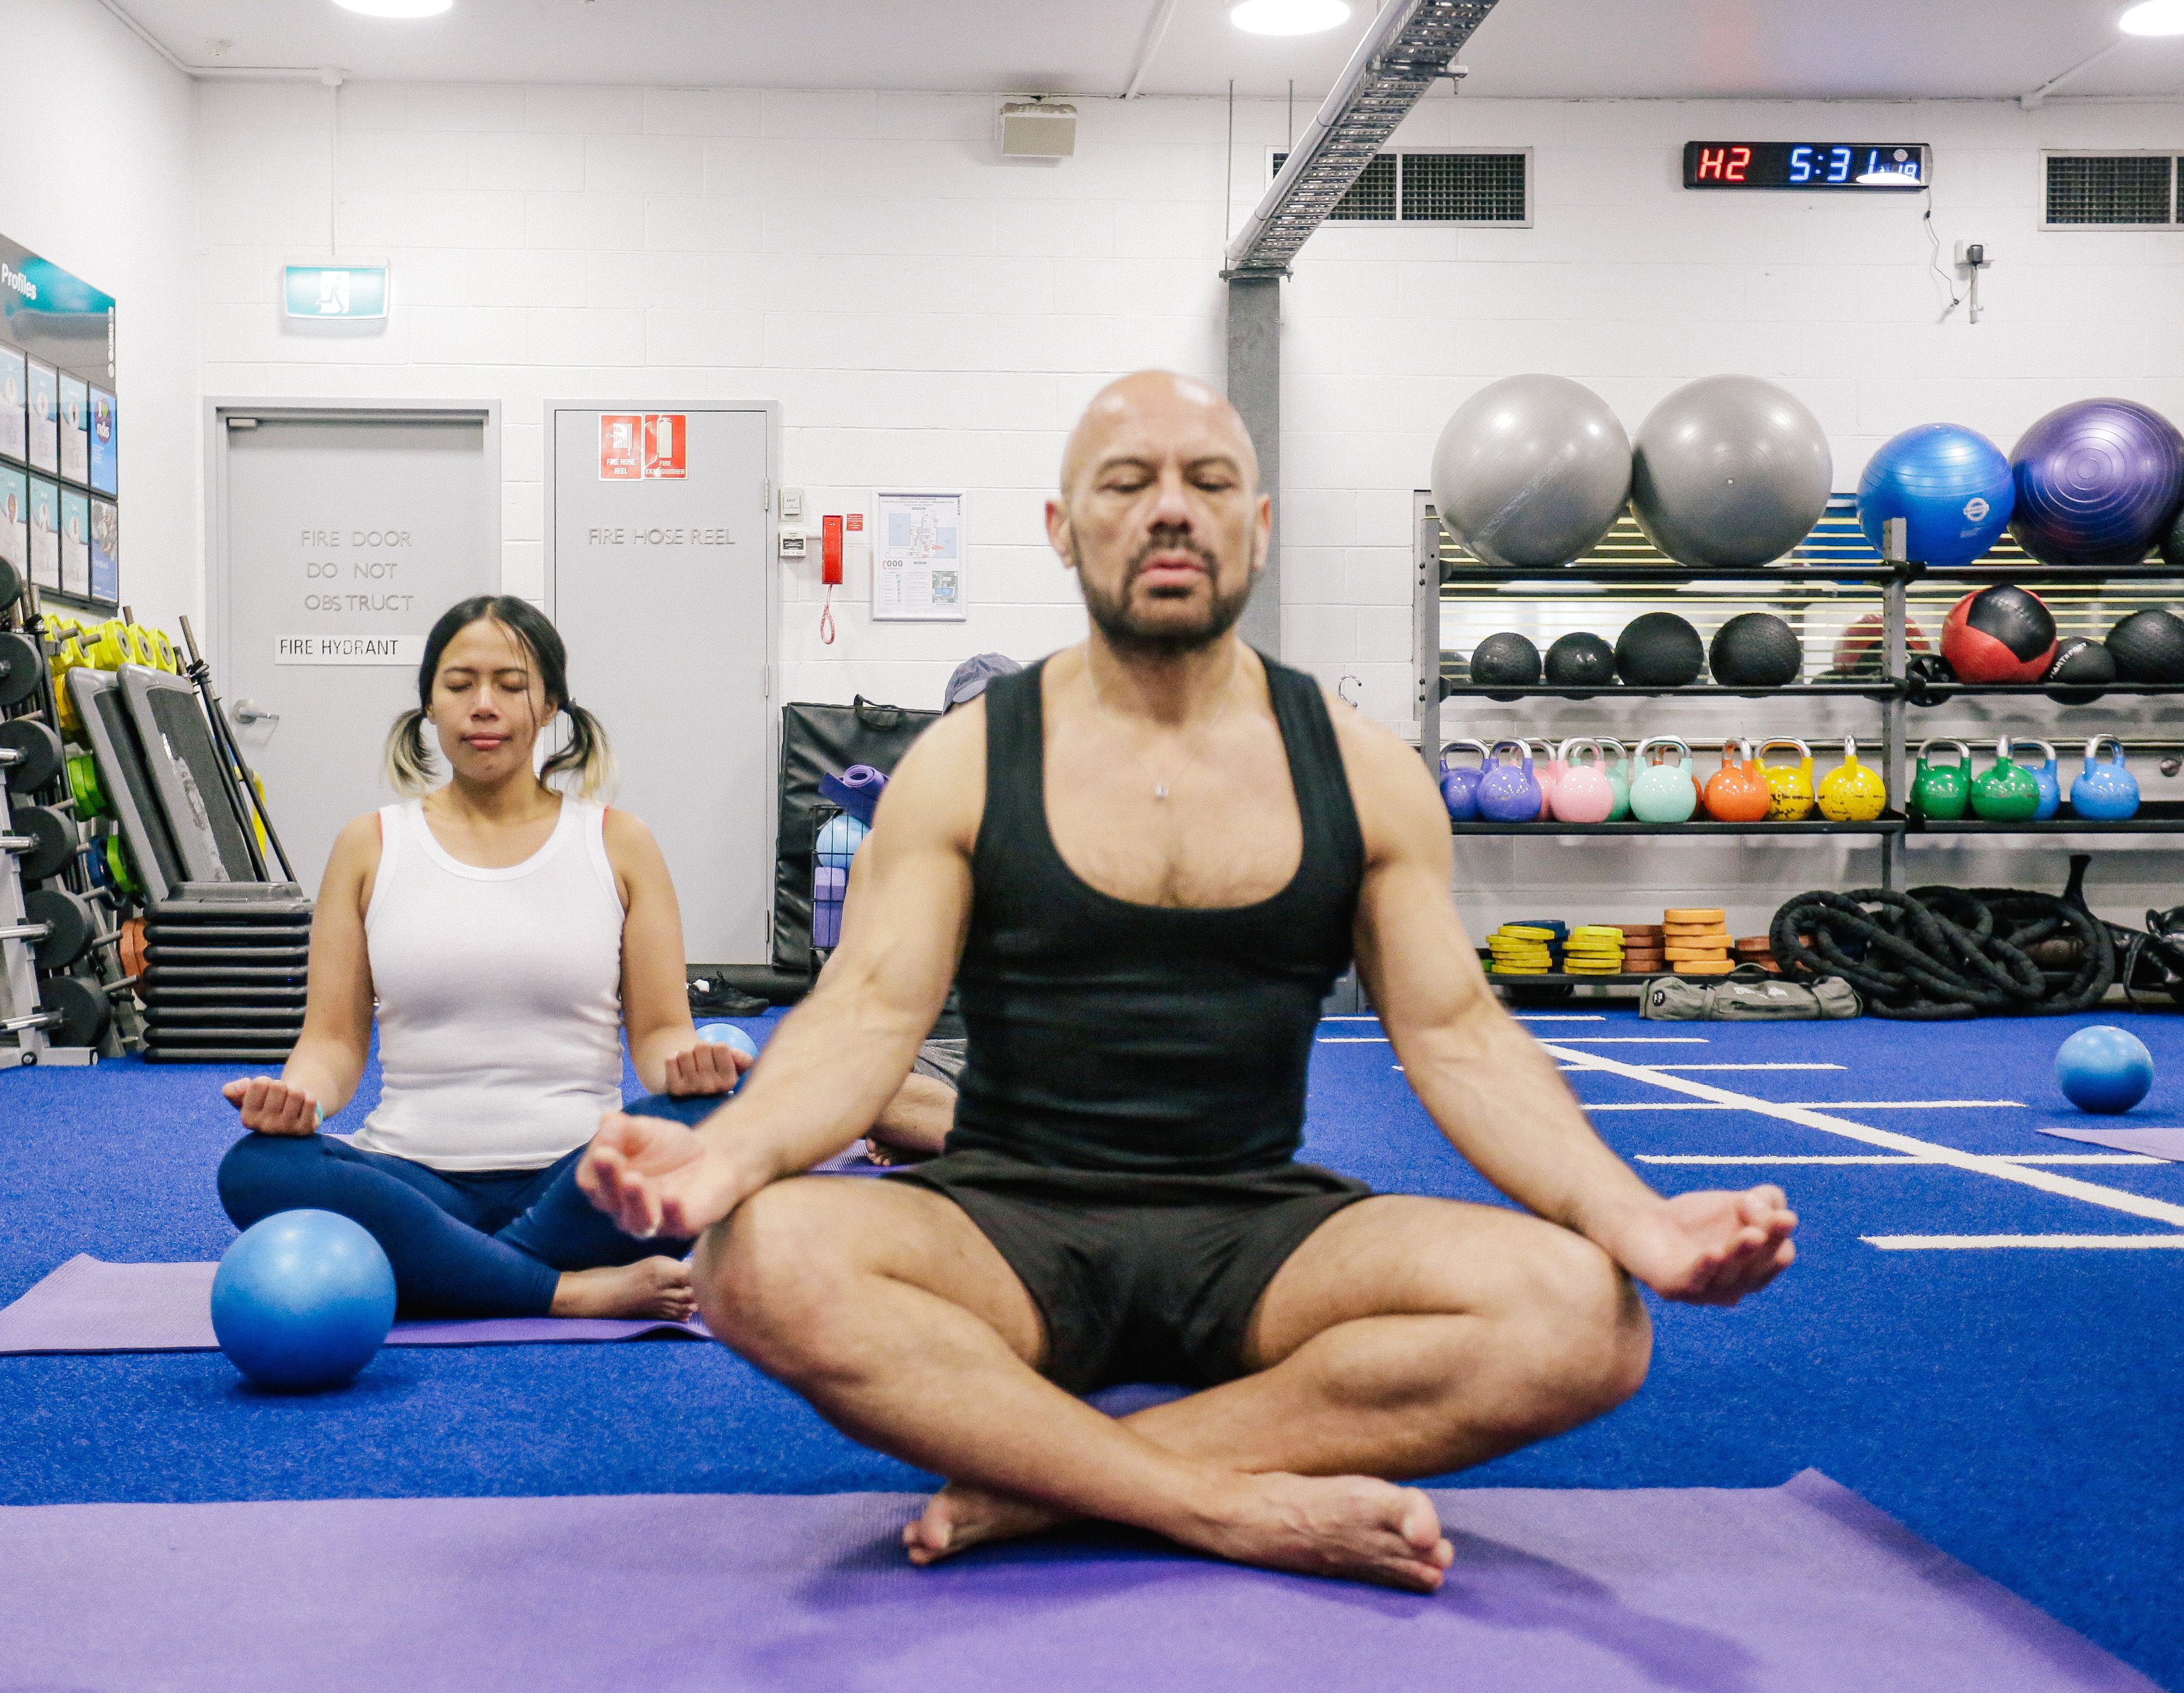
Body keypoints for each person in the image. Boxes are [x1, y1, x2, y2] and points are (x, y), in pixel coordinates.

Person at [577, 370, 1798, 1589]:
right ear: (1065, 529)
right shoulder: (965, 764)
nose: (1173, 510)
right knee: (756, 1260)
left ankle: (1050, 1482)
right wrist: (729, 1161)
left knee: (1588, 1320)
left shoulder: (1364, 771)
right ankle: (1220, 1507)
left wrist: (1629, 1217)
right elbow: (866, 1015)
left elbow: (1460, 1038)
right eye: (1128, 483)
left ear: (1258, 527)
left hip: (1259, 1231)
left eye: (1210, 483)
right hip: (1008, 1224)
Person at [215, 595, 739, 1321]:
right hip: (413, 1178)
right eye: (459, 685)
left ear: (550, 702)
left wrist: (691, 1064)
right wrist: (299, 1098)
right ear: (429, 703)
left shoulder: (621, 842)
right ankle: (562, 1288)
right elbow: (332, 1041)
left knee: (716, 1121)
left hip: (580, 1179)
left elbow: (659, 1036)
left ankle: (448, 1267)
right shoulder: (368, 846)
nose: (483, 706)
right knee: (258, 1169)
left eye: (511, 685)